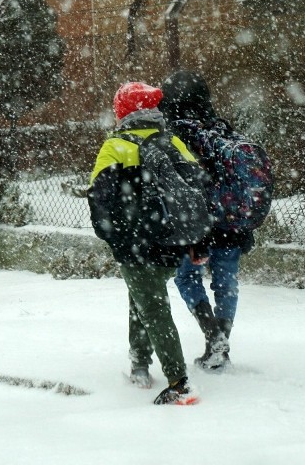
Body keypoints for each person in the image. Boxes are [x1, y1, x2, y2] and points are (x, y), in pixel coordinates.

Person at [87, 81, 218, 405]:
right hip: (171, 244)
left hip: (135, 245)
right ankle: (139, 364)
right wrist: (195, 241)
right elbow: (199, 191)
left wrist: (112, 236)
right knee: (142, 301)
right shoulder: (172, 141)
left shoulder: (115, 146)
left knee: (154, 308)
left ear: (122, 111)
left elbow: (98, 198)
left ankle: (179, 382)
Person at [159, 70, 255, 372]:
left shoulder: (176, 132)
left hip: (197, 222)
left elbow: (177, 183)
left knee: (187, 277)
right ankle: (222, 343)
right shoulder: (223, 130)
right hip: (232, 222)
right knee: (226, 282)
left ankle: (213, 336)